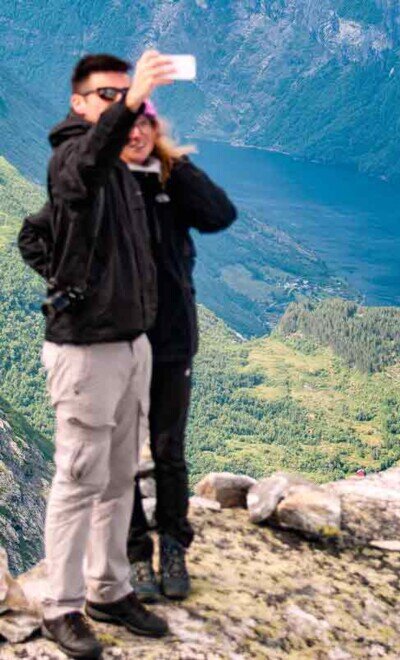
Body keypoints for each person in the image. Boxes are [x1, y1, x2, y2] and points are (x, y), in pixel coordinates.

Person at [20, 51, 175, 659]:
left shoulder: (116, 173)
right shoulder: (74, 160)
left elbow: (35, 233)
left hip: (131, 345)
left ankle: (110, 589)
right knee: (78, 479)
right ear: (79, 104)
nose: (118, 103)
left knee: (118, 479)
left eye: (124, 93)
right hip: (87, 354)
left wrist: (71, 278)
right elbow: (79, 170)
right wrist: (75, 303)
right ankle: (61, 606)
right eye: (105, 94)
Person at [119, 101, 236, 602]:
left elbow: (220, 214)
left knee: (168, 451)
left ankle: (173, 547)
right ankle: (134, 555)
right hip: (117, 341)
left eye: (143, 125)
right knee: (121, 454)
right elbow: (43, 235)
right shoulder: (103, 185)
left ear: (155, 128)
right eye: (124, 127)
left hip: (169, 341)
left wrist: (174, 164)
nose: (135, 135)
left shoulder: (171, 181)